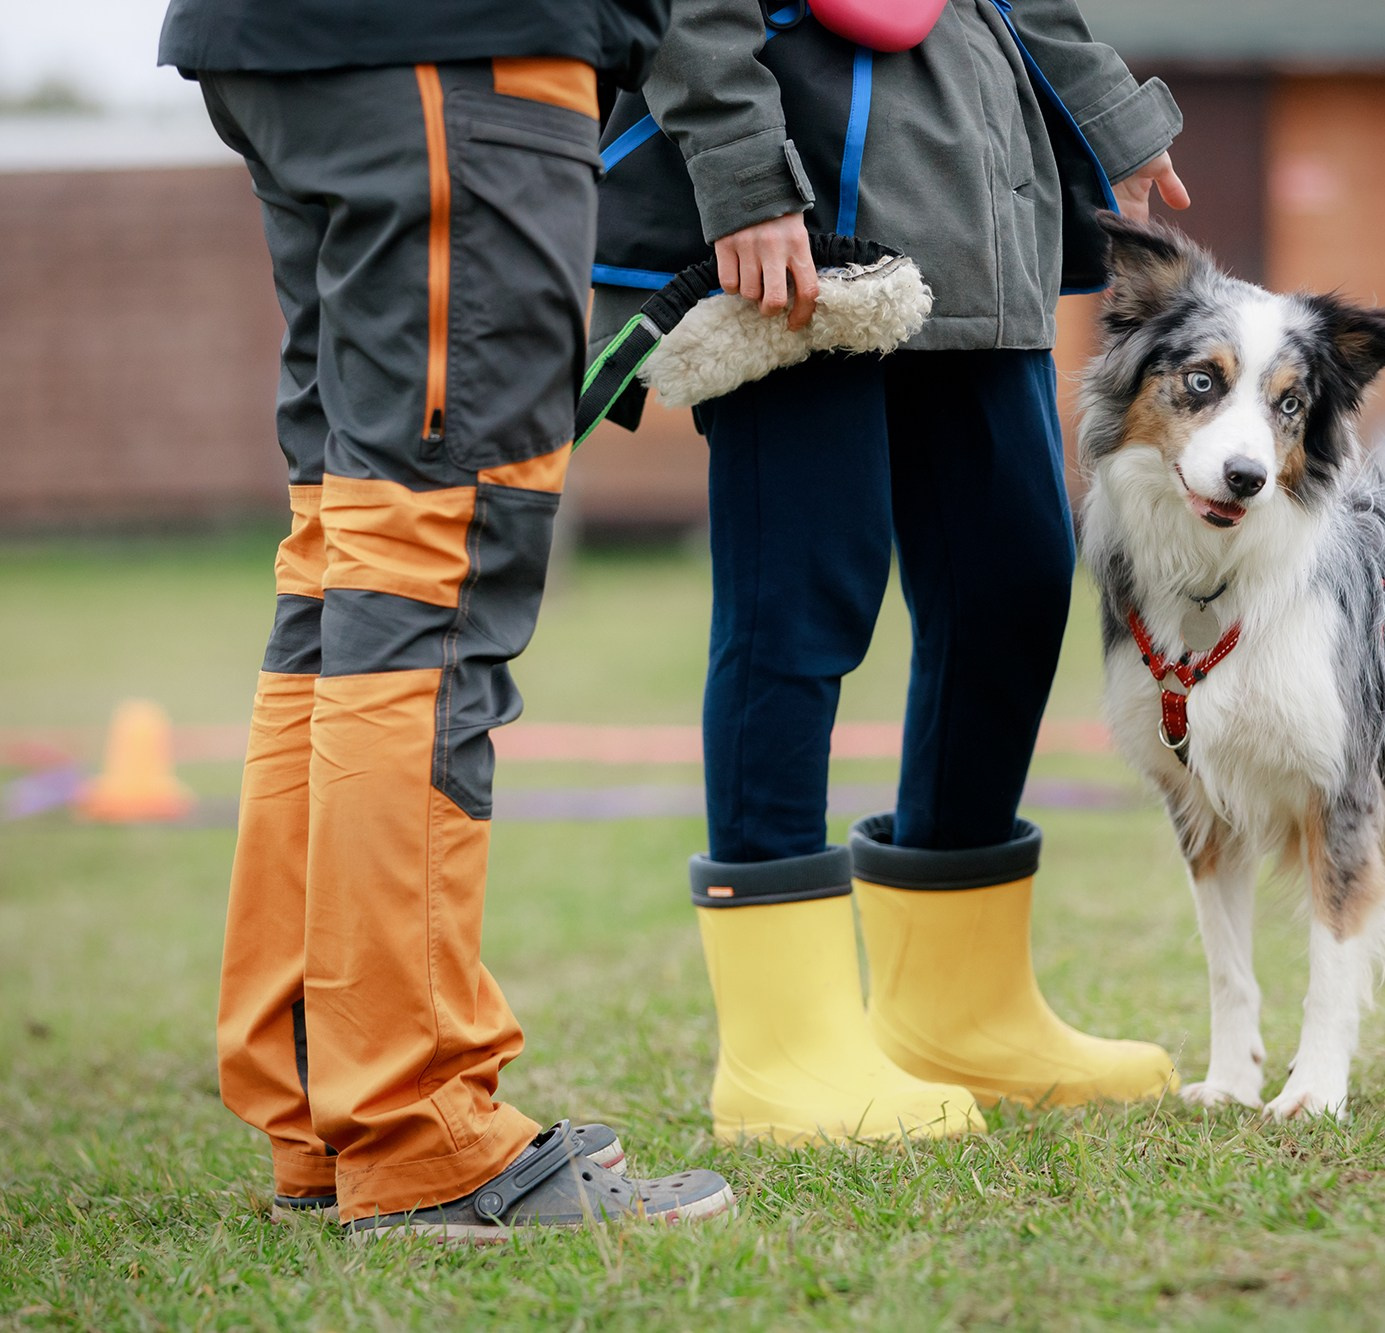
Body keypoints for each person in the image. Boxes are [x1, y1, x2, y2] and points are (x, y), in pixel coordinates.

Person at [156, 1, 736, 1240]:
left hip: (304, 45)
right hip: (455, 47)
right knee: (431, 560)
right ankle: (416, 1128)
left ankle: (327, 1102)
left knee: (345, 563)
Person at [588, 0, 1193, 1143]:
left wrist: (1111, 112)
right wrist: (742, 178)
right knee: (802, 599)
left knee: (1013, 586)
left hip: (978, 211)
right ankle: (780, 1049)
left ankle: (955, 1007)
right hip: (802, 219)